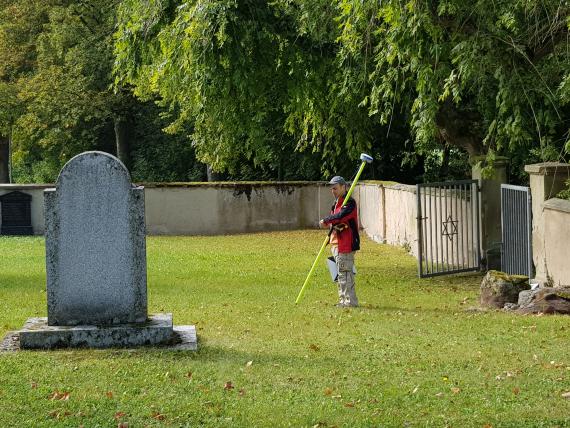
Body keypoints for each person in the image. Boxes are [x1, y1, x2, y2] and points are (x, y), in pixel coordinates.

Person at [319, 176, 360, 307]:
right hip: (336, 243)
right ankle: (343, 300)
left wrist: (326, 220)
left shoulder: (349, 203)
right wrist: (329, 231)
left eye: (335, 188)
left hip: (346, 244)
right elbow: (336, 222)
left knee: (345, 273)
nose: (333, 190)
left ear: (343, 187)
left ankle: (350, 302)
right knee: (340, 275)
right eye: (332, 188)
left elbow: (340, 216)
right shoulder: (336, 203)